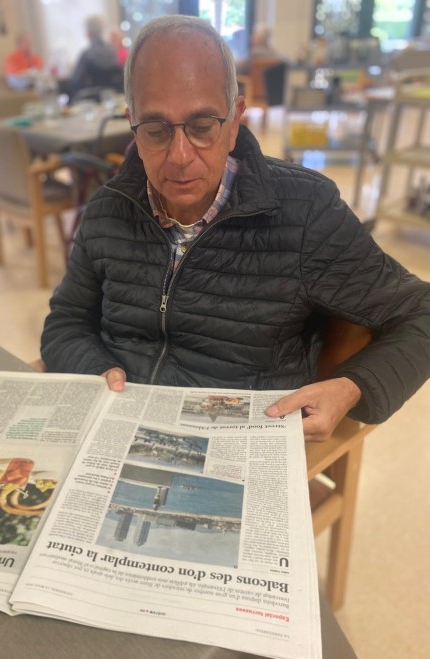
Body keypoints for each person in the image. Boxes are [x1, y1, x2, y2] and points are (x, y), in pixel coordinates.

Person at [40, 15, 430, 443]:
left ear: (235, 121)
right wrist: (94, 370)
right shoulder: (109, 208)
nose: (180, 156)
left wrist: (352, 387)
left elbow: (421, 312)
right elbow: (67, 321)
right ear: (133, 124)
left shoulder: (306, 212)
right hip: (116, 430)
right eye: (155, 131)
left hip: (239, 444)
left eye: (202, 127)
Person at [67, 15, 122, 101]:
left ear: (89, 33)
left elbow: (75, 82)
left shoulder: (86, 55)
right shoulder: (112, 51)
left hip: (91, 100)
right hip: (112, 97)